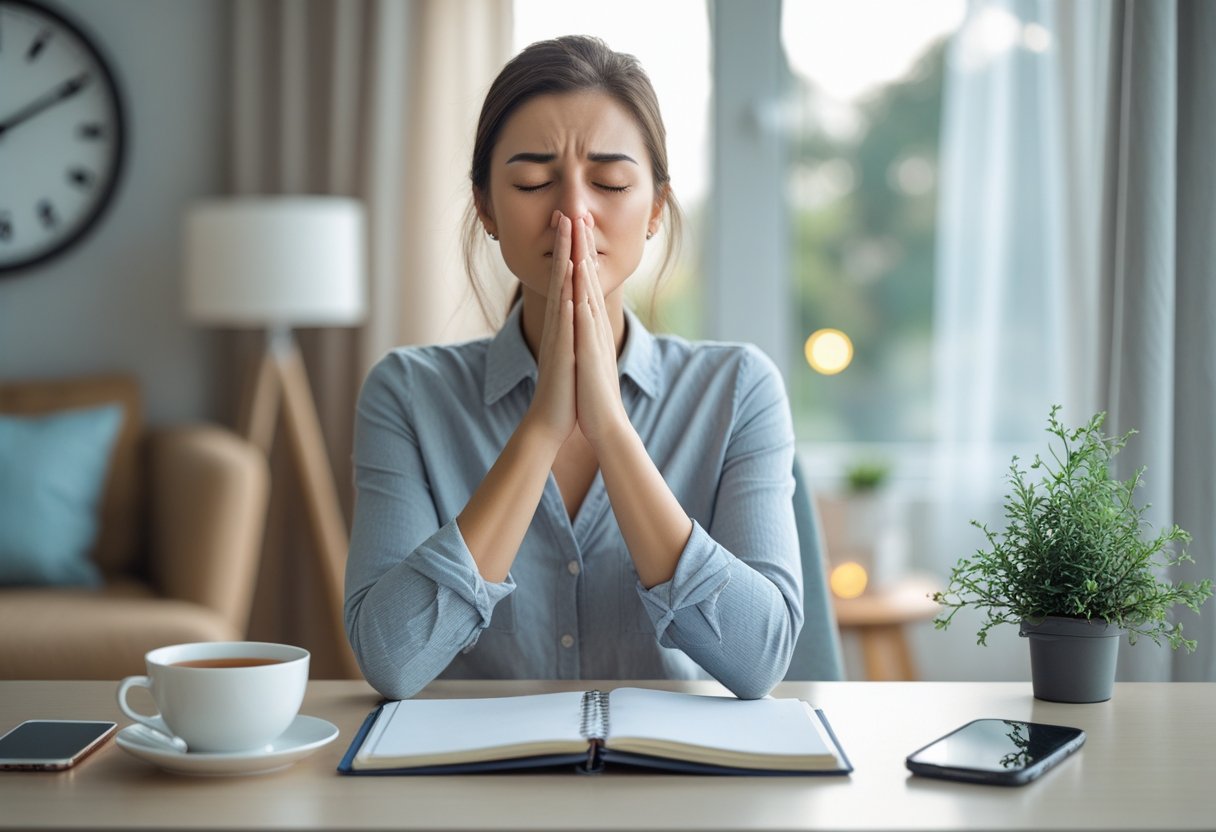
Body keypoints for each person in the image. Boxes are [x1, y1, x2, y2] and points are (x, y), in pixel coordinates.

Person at [345, 35, 803, 700]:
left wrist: (612, 430)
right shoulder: (408, 393)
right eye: (532, 181)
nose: (573, 214)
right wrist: (540, 429)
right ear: (486, 208)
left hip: (674, 790)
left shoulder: (738, 389)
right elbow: (391, 660)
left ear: (654, 209)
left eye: (611, 182)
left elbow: (761, 661)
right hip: (473, 789)